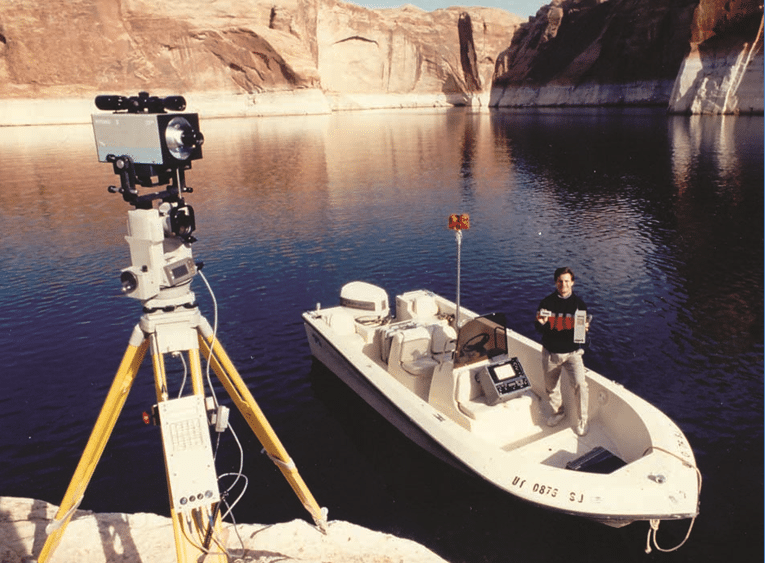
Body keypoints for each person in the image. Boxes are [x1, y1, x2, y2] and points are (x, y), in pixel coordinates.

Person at [535, 266, 589, 436]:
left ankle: (582, 420)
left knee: (581, 385)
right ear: (555, 282)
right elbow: (539, 328)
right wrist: (540, 322)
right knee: (551, 388)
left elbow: (579, 337)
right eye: (560, 281)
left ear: (572, 282)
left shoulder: (579, 305)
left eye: (567, 281)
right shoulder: (546, 302)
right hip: (551, 353)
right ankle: (559, 412)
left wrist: (583, 328)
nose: (563, 284)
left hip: (573, 354)